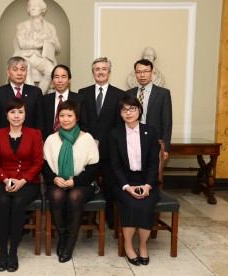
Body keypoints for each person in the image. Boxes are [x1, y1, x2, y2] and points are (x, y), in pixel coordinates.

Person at [0, 98, 43, 272]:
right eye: (12, 112)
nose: (16, 115)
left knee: (18, 202)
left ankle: (13, 252)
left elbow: (38, 162)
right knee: (4, 202)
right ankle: (2, 252)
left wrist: (23, 180)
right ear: (6, 115)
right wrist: (5, 179)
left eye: (20, 111)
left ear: (25, 114)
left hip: (28, 182)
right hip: (2, 180)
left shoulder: (35, 134)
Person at [43, 100, 99, 263]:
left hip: (82, 184)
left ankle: (71, 241)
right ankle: (63, 235)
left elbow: (93, 169)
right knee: (56, 195)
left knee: (74, 196)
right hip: (57, 182)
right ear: (57, 117)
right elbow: (45, 166)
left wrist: (74, 181)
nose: (65, 119)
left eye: (69, 115)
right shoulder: (51, 139)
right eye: (62, 115)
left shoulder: (87, 138)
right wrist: (55, 178)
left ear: (77, 117)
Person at [109, 94, 160, 266]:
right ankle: (129, 246)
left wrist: (148, 185)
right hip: (123, 181)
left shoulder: (150, 131)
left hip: (146, 180)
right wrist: (126, 187)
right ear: (120, 114)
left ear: (139, 110)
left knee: (145, 204)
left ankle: (143, 246)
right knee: (131, 204)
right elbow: (115, 166)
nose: (128, 112)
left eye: (132, 108)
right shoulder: (115, 134)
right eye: (124, 110)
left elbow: (154, 162)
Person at [78, 57, 124, 229]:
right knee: (84, 183)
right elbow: (80, 121)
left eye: (104, 69)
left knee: (110, 185)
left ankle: (111, 219)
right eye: (97, 69)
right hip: (86, 150)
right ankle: (84, 219)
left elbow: (119, 125)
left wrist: (105, 142)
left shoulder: (119, 94)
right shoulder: (82, 93)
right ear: (93, 72)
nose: (100, 71)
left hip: (109, 150)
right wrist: (89, 141)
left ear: (109, 72)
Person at [126, 58, 172, 159]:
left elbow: (167, 123)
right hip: (132, 141)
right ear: (135, 74)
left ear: (152, 72)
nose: (142, 75)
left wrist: (166, 148)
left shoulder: (163, 94)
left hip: (154, 141)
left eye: (146, 71)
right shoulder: (128, 94)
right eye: (139, 72)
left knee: (153, 172)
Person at [13, 0, 61, 94]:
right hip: (25, 57)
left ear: (42, 9)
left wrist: (52, 44)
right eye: (31, 6)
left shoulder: (50, 27)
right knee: (26, 68)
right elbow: (22, 43)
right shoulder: (21, 25)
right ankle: (33, 99)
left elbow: (59, 49)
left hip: (42, 58)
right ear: (28, 9)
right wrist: (41, 44)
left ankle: (37, 97)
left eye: (36, 5)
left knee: (51, 71)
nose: (33, 7)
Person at [0, 56, 44, 134]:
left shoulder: (36, 92)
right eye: (15, 69)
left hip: (30, 140)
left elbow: (40, 122)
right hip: (4, 140)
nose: (19, 73)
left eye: (23, 69)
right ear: (8, 72)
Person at [43, 64, 87, 138]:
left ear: (69, 80)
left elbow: (84, 125)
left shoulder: (80, 99)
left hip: (73, 140)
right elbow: (41, 124)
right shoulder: (44, 100)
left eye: (63, 77)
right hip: (50, 141)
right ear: (52, 80)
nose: (60, 80)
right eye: (56, 77)